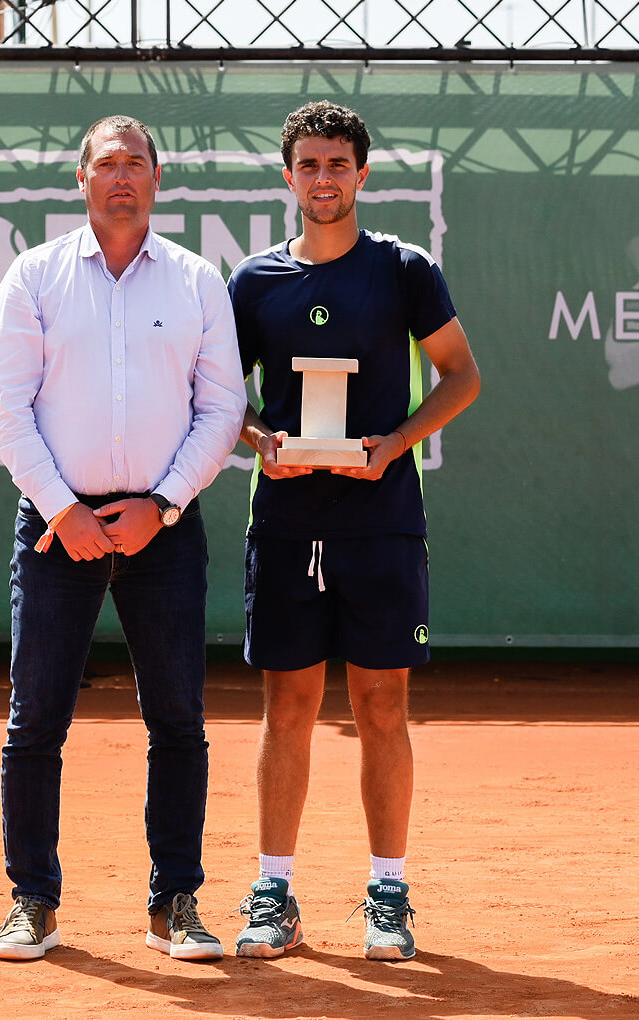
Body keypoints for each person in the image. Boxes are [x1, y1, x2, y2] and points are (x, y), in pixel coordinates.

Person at [0, 115, 247, 962]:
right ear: (81, 177)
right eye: (107, 163)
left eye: (136, 162)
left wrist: (162, 504)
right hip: (55, 530)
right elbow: (7, 412)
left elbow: (221, 411)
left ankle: (175, 902)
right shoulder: (33, 277)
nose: (122, 176)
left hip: (163, 529)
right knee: (35, 722)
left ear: (159, 177)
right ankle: (33, 901)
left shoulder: (198, 282)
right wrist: (64, 511)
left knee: (178, 720)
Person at [227, 100, 480, 961]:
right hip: (288, 518)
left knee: (382, 704)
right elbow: (222, 400)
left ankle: (388, 892)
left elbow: (460, 377)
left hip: (382, 523)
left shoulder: (406, 270)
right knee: (288, 705)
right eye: (309, 165)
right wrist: (263, 441)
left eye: (340, 165)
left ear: (362, 174)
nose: (325, 179)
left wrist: (394, 444)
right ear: (287, 175)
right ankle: (274, 892)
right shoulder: (253, 281)